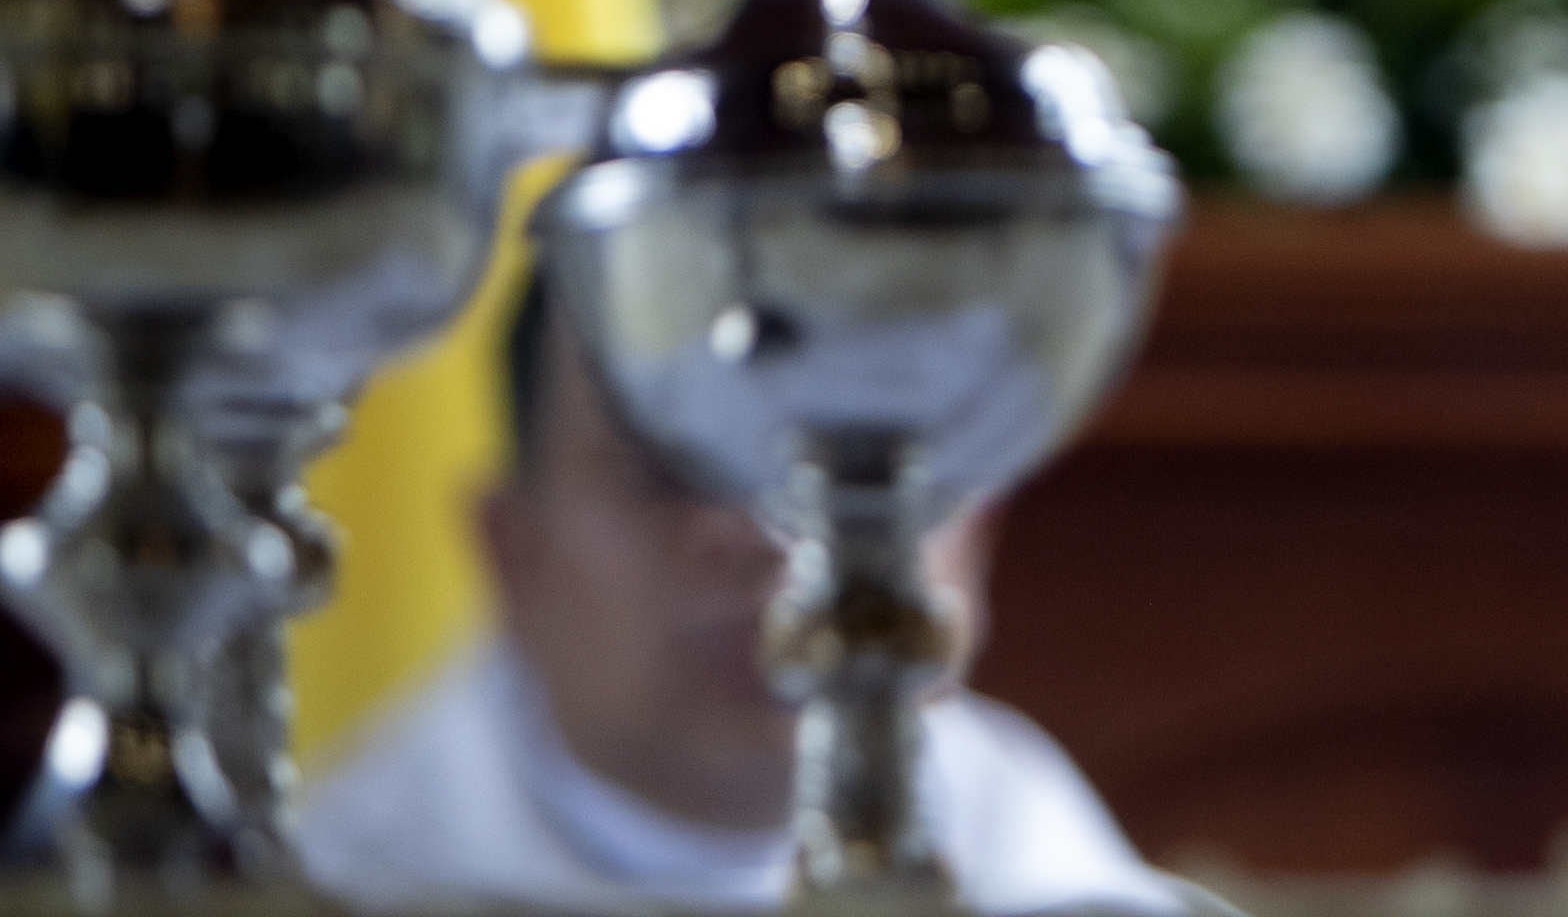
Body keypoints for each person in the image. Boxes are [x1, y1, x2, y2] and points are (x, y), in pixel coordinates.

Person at [299, 278, 1179, 912]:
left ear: (972, 537)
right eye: (670, 474)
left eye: (845, 464)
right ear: (511, 555)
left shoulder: (1064, 889)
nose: (763, 535)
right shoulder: (327, 886)